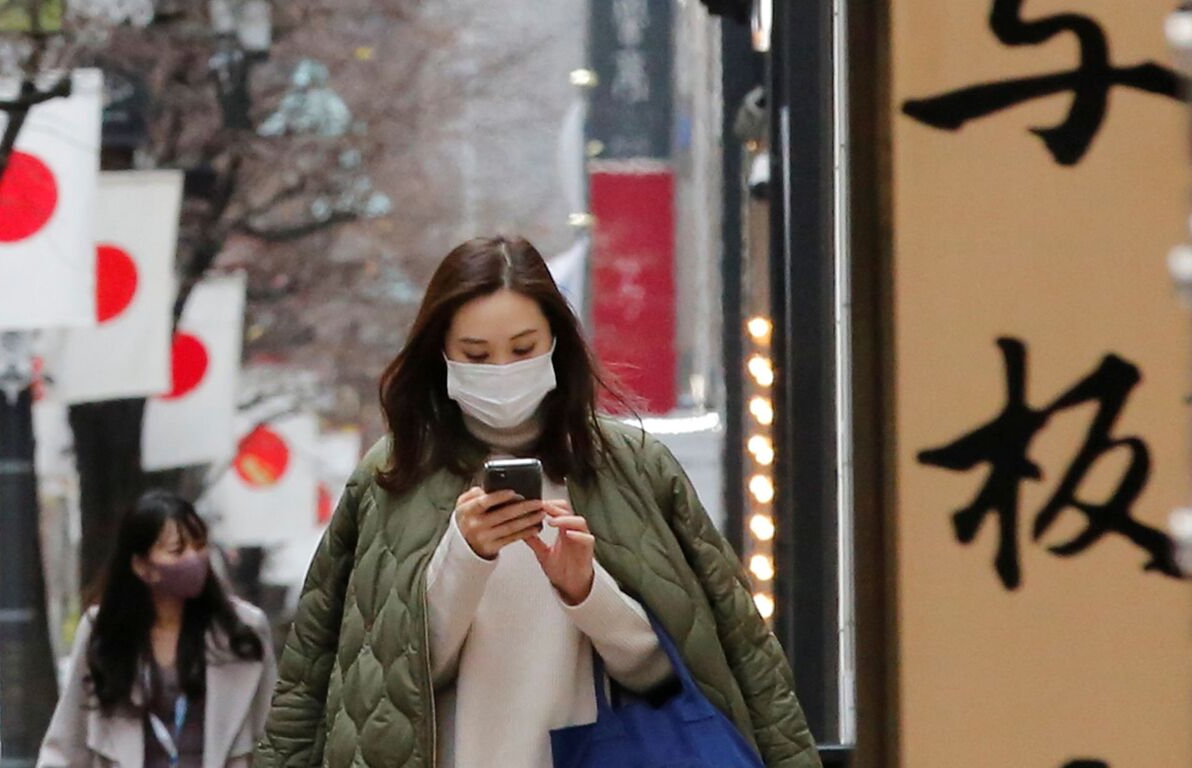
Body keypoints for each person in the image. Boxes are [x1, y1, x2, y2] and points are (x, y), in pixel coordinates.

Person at [255, 235, 819, 768]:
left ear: (556, 341)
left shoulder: (631, 468)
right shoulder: (391, 476)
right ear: (441, 356)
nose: (503, 372)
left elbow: (696, 667)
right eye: (475, 355)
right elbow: (361, 681)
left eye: (523, 349)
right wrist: (466, 558)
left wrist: (586, 590)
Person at [40, 490, 278, 768]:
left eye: (199, 545)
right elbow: (67, 743)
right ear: (143, 566)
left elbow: (274, 736)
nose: (194, 558)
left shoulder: (243, 630)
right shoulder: (102, 633)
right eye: (177, 551)